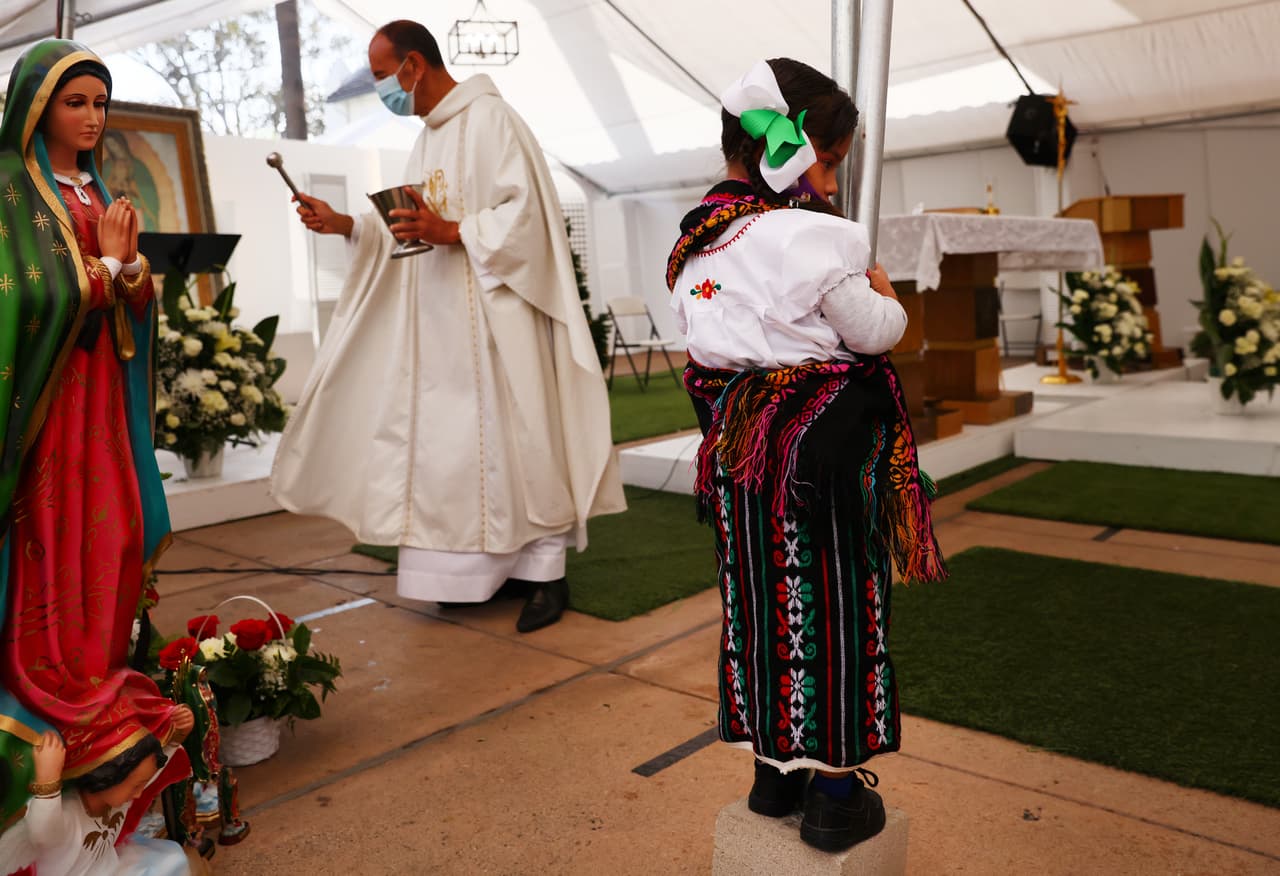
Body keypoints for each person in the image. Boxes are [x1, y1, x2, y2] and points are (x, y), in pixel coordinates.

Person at [666, 59, 947, 852]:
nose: (827, 182)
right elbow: (875, 333)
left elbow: (707, 346)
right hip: (819, 462)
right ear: (795, 149)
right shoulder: (814, 236)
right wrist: (887, 293)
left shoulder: (694, 243)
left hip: (738, 460)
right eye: (829, 162)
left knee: (756, 608)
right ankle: (833, 795)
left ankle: (770, 773)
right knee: (835, 611)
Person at [271, 20, 625, 633]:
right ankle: (473, 576)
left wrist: (455, 231)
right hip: (440, 328)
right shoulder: (428, 137)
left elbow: (529, 219)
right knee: (452, 458)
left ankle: (545, 574)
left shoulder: (494, 121)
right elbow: (412, 219)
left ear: (413, 65)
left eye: (383, 76)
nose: (383, 88)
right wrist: (351, 226)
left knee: (518, 448)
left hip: (498, 323)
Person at [0, 38, 183, 830]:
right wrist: (105, 272)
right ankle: (55, 682)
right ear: (37, 108)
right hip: (44, 412)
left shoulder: (94, 188)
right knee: (52, 537)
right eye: (76, 102)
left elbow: (127, 301)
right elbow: (20, 301)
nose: (92, 117)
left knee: (110, 537)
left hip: (100, 408)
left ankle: (100, 670)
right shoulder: (11, 189)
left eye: (99, 103)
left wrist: (133, 278)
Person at [0, 724, 207, 875]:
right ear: (109, 776)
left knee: (173, 860)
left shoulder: (117, 797)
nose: (138, 794)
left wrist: (174, 737)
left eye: (140, 785)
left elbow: (149, 775)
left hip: (112, 866)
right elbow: (43, 833)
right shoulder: (70, 812)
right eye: (135, 786)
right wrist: (47, 783)